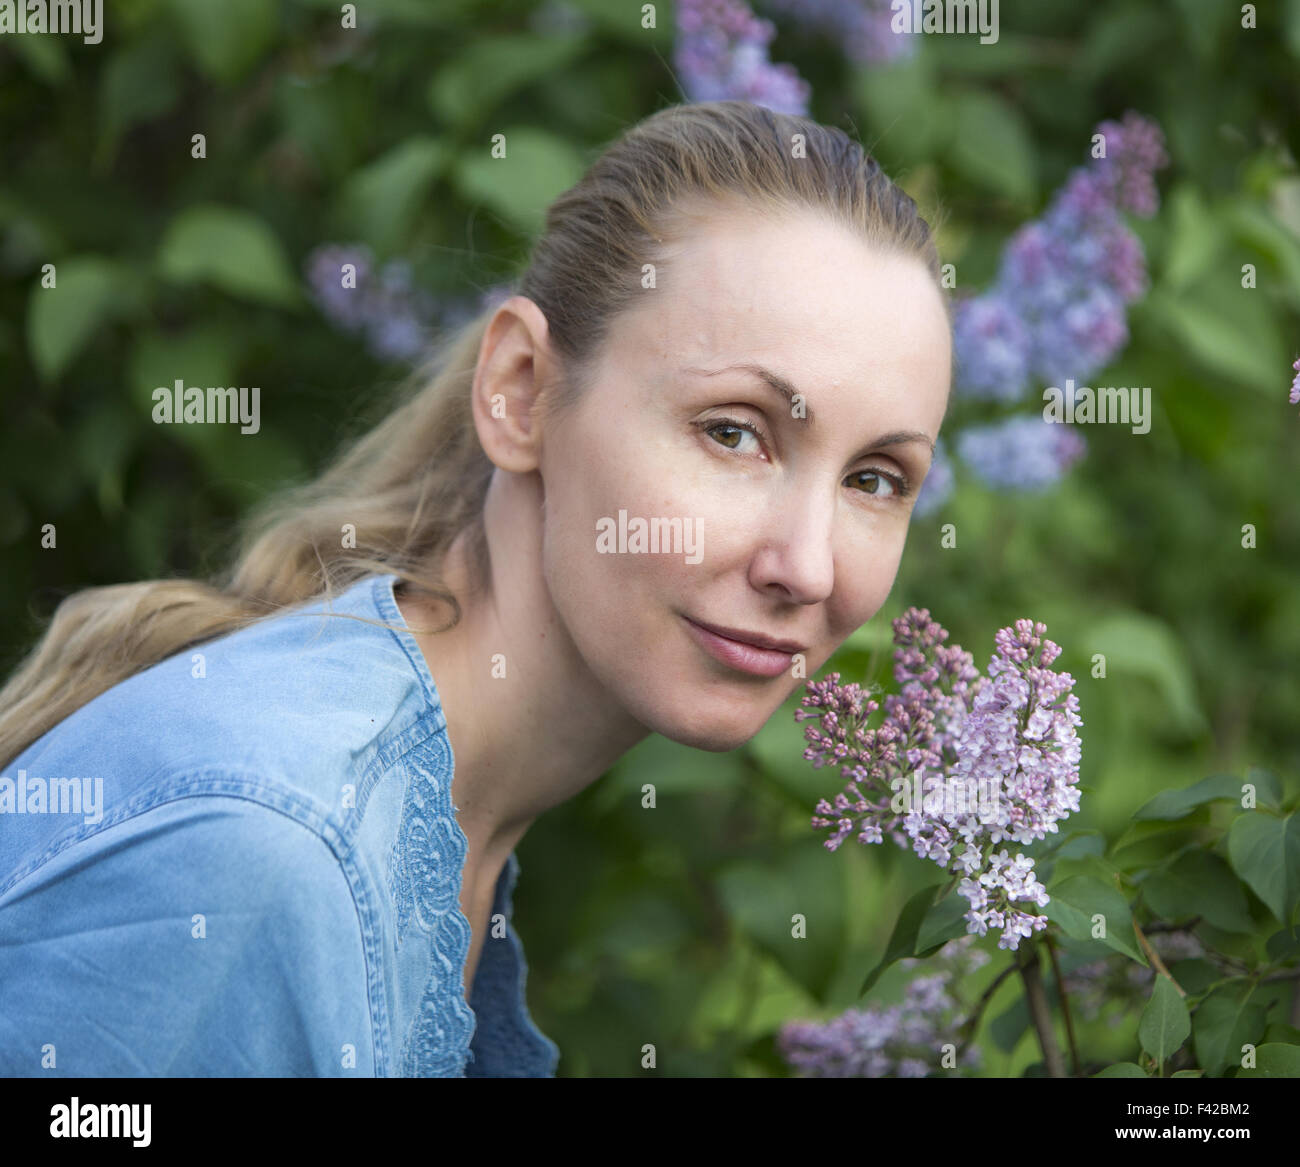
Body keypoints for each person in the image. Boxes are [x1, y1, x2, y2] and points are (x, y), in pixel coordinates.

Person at [0, 100, 953, 1077]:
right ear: (521, 391)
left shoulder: (436, 830)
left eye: (874, 480)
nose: (806, 566)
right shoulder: (271, 857)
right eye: (733, 432)